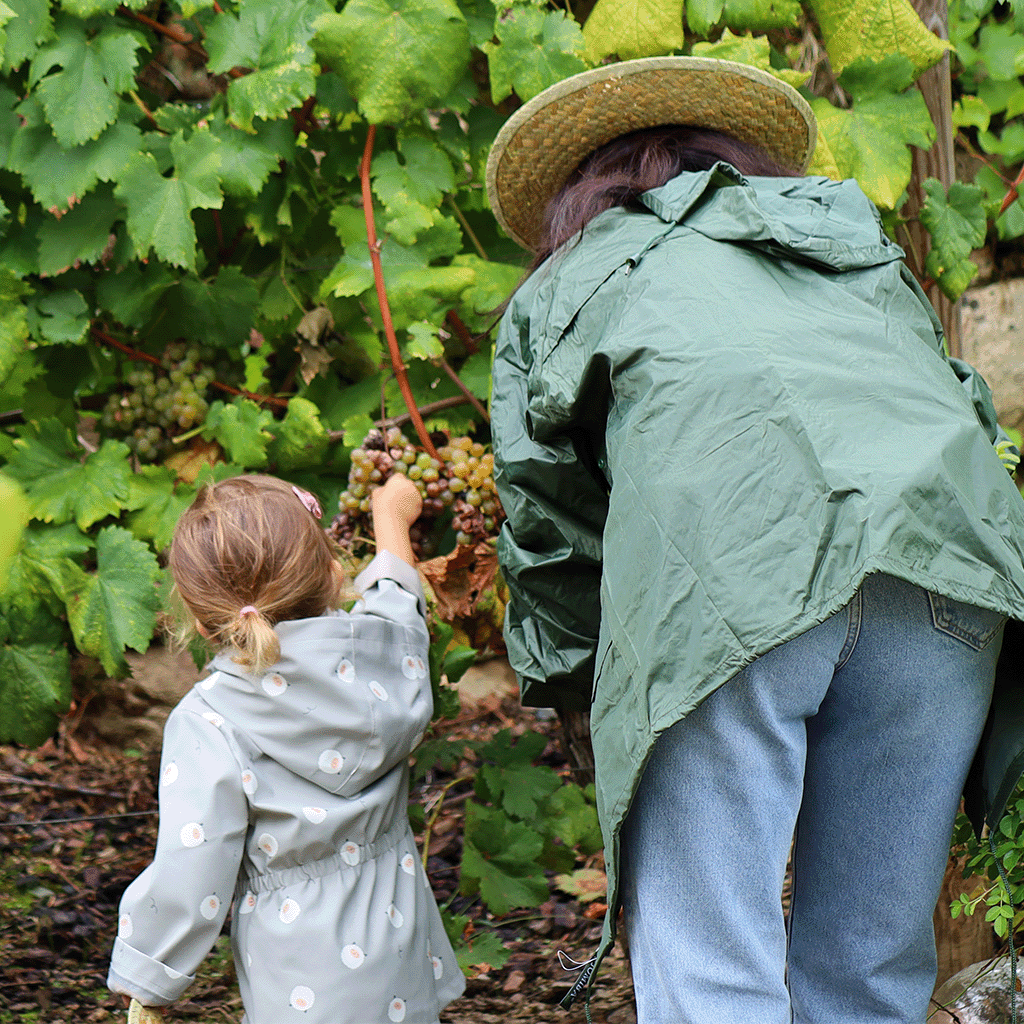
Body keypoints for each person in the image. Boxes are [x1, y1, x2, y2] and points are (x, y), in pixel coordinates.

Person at [485, 56, 1024, 1024]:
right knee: (867, 962)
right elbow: (959, 403)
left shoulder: (581, 276)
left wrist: (582, 690)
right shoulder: (851, 249)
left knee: (710, 961)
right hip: (945, 575)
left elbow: (548, 515)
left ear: (579, 194)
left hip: (730, 579)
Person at [107, 473, 464, 1024]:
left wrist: (149, 979)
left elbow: (192, 868)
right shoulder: (386, 660)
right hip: (402, 963)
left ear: (202, 621)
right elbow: (397, 607)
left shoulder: (211, 722)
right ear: (332, 572)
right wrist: (390, 519)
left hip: (299, 986)